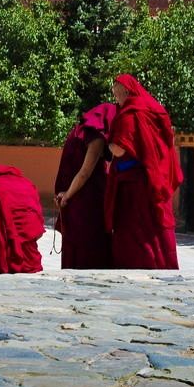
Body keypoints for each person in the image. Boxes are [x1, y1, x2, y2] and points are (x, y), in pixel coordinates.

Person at [104, 74, 182, 269]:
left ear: (126, 90)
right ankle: (163, 263)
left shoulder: (131, 114)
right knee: (154, 226)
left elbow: (120, 149)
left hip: (133, 185)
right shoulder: (151, 108)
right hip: (150, 177)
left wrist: (109, 143)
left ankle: (142, 264)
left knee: (136, 229)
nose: (115, 95)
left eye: (116, 90)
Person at [53, 102, 116, 269]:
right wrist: (67, 195)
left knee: (75, 245)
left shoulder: (77, 131)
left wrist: (65, 193)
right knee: (89, 248)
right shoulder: (97, 137)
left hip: (74, 197)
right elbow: (84, 173)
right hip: (87, 200)